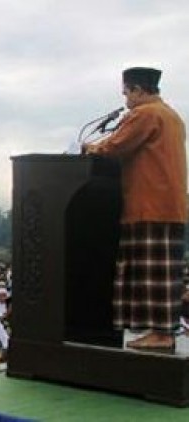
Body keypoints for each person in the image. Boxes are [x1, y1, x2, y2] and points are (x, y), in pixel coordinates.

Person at [84, 67, 187, 350]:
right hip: (168, 204)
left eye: (127, 93)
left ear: (138, 90)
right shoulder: (172, 116)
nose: (126, 100)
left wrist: (88, 148)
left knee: (153, 274)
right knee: (162, 272)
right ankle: (161, 331)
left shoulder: (145, 114)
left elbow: (116, 145)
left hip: (150, 204)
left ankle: (162, 334)